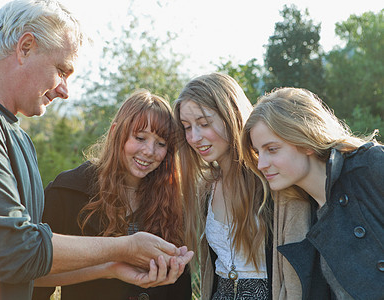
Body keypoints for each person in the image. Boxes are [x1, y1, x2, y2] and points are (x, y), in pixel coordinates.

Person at [0, 1, 192, 299]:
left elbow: (28, 265)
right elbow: (14, 248)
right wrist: (126, 246)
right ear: (25, 47)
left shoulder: (16, 135)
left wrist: (112, 267)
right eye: (61, 70)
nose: (65, 90)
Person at [32, 90, 192, 299]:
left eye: (161, 144)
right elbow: (32, 275)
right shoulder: (68, 191)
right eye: (140, 137)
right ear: (117, 132)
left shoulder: (173, 200)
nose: (150, 151)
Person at [241, 87, 384, 300]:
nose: (261, 164)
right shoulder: (297, 212)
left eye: (272, 149)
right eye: (257, 152)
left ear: (306, 141)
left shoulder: (369, 166)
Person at [173, 73, 273, 300]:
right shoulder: (206, 188)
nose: (194, 137)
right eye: (187, 127)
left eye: (204, 123)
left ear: (232, 116)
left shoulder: (270, 179)